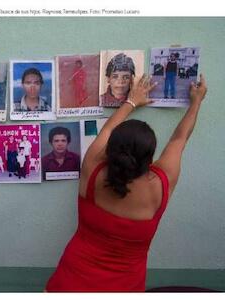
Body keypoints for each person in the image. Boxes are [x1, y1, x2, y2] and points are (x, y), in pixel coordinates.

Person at [45, 74, 207, 292]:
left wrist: (132, 101)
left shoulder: (93, 168)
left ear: (110, 150)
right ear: (149, 158)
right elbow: (179, 139)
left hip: (70, 282)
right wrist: (196, 102)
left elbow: (108, 130)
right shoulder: (161, 184)